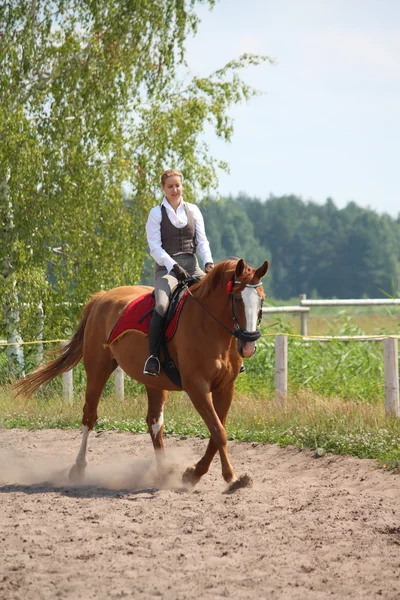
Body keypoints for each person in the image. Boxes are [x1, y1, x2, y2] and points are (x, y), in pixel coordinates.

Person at [143, 169, 214, 376]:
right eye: (170, 186)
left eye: (178, 185)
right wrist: (173, 265)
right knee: (162, 305)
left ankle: (229, 352)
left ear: (182, 186)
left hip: (193, 266)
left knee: (222, 296)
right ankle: (153, 357)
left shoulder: (193, 210)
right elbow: (155, 247)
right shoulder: (156, 214)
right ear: (163, 189)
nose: (175, 189)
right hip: (168, 270)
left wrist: (208, 263)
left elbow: (202, 241)